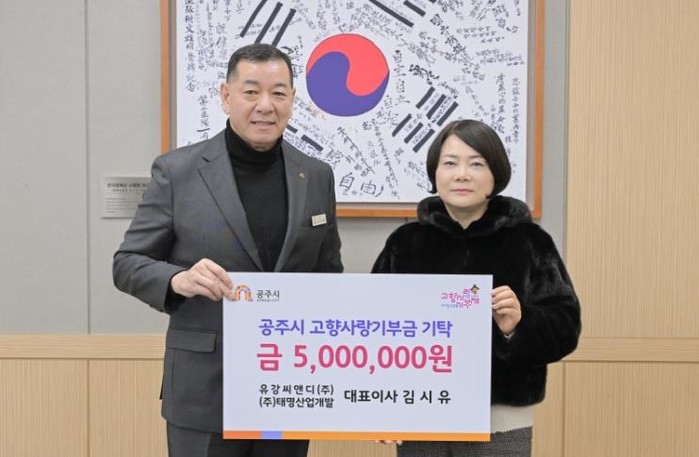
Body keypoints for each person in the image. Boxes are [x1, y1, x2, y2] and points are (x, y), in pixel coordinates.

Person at [113, 43, 342, 457]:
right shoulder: (177, 172)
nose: (265, 106)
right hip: (204, 389)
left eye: (278, 93)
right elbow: (127, 263)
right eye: (251, 92)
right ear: (225, 96)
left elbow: (328, 276)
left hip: (286, 389)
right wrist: (178, 279)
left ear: (292, 99)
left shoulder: (317, 176)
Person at [372, 119, 580, 457]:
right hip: (421, 416)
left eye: (477, 164)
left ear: (496, 174)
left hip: (500, 421)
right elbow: (374, 329)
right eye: (450, 163)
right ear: (435, 172)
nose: (462, 175)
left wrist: (519, 324)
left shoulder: (529, 241)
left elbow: (566, 327)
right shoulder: (405, 243)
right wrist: (384, 406)